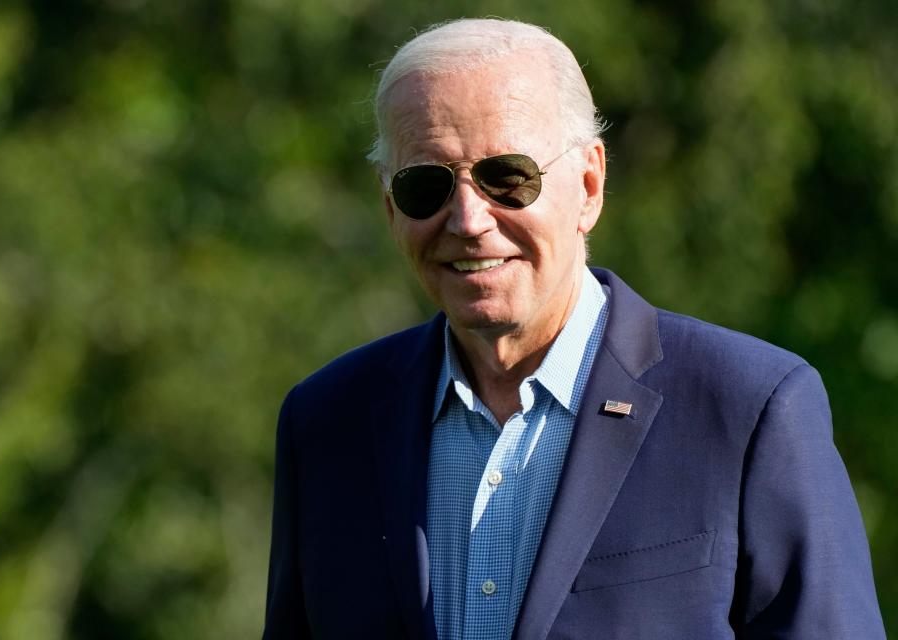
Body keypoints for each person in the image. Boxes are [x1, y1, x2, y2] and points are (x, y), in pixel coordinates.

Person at [263, 18, 884, 640]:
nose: (469, 220)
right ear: (390, 206)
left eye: (507, 177)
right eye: (426, 185)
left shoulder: (748, 408)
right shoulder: (325, 425)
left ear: (589, 184)